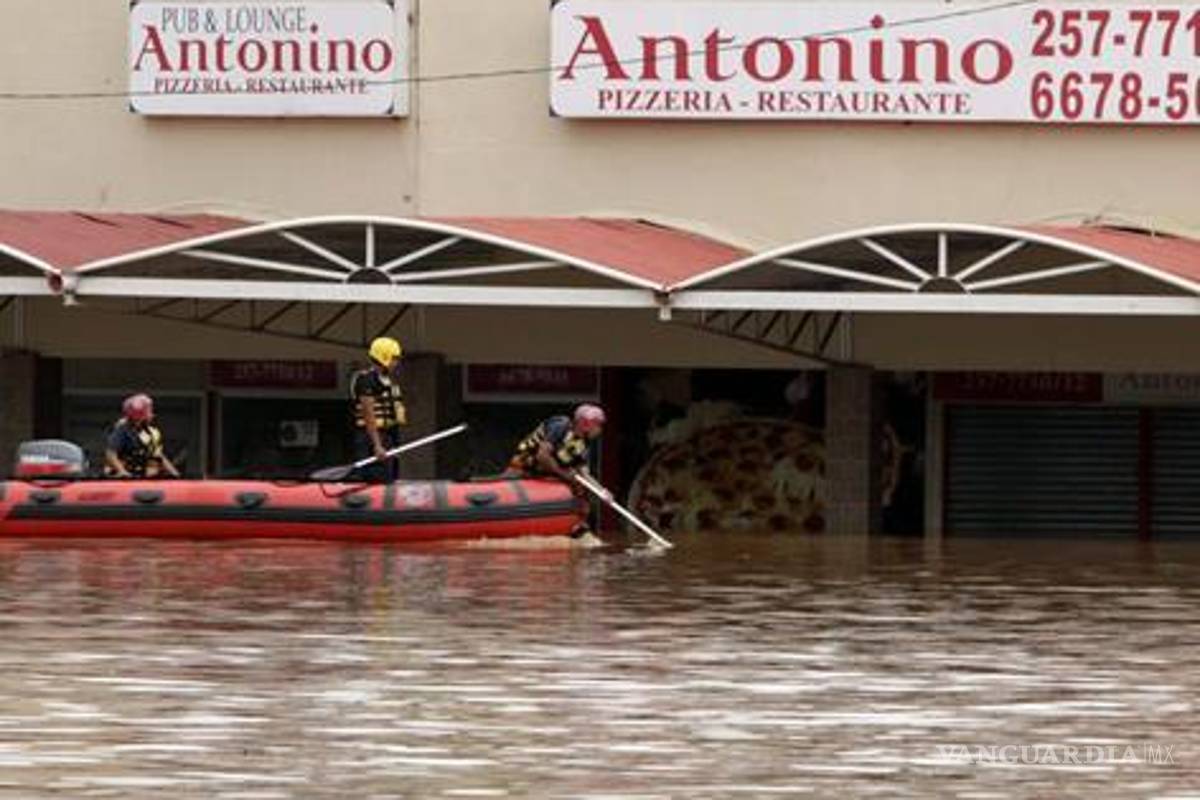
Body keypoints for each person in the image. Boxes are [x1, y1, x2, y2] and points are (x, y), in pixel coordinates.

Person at [506, 403, 611, 537]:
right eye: (598, 425)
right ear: (585, 424)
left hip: (548, 471)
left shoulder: (584, 442)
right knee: (570, 479)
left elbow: (583, 473)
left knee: (579, 488)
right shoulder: (560, 426)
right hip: (525, 463)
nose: (600, 430)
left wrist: (601, 491)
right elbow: (542, 455)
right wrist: (565, 475)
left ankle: (578, 526)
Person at [350, 336, 407, 482]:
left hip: (388, 436)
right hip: (370, 439)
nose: (397, 362)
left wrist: (393, 444)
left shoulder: (389, 380)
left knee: (390, 477)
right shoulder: (366, 380)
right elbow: (368, 415)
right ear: (384, 357)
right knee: (375, 478)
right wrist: (377, 445)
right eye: (394, 358)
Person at [104, 393, 180, 478]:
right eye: (149, 411)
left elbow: (157, 455)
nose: (152, 414)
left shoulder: (148, 432)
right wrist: (123, 472)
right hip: (120, 479)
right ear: (139, 414)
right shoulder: (122, 430)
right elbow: (110, 454)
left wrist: (175, 474)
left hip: (139, 477)